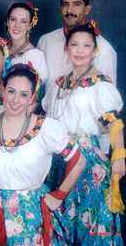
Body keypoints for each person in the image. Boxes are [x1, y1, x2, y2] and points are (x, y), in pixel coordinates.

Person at [0, 64, 86, 246]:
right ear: (3, 91)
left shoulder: (46, 128)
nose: (15, 100)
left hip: (32, 205)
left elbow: (78, 160)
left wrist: (59, 194)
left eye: (23, 94)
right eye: (11, 91)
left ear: (32, 98)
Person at [42, 25, 125, 245]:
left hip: (88, 162)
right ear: (66, 48)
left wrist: (120, 157)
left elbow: (115, 124)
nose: (80, 51)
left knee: (87, 221)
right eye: (74, 44)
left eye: (86, 45)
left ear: (94, 50)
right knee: (61, 219)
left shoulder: (100, 83)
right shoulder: (59, 84)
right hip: (59, 158)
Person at [37, 0, 117, 93]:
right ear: (60, 8)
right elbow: (37, 87)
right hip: (49, 110)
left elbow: (106, 100)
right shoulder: (45, 41)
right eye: (65, 4)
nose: (70, 10)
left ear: (87, 9)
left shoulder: (104, 49)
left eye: (76, 4)